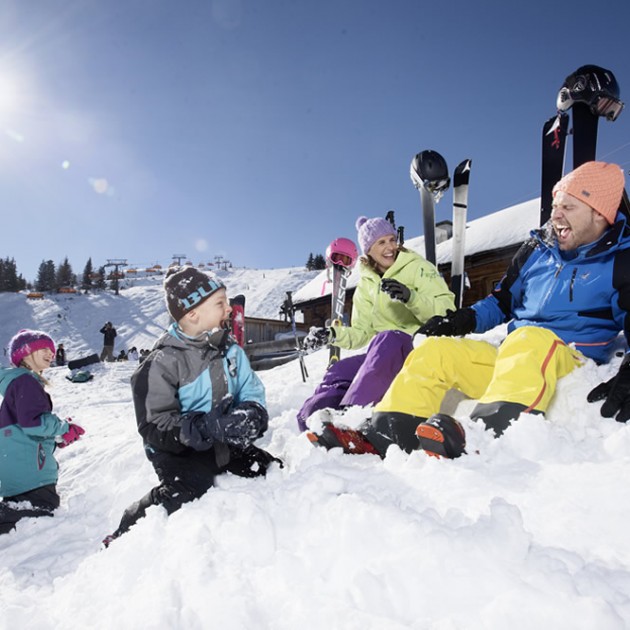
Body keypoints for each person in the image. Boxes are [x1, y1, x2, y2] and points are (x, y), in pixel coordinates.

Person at [309, 161, 629, 459]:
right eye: (556, 205)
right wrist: (463, 319)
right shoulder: (537, 251)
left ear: (600, 214)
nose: (556, 215)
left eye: (568, 207)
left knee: (530, 339)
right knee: (437, 352)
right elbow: (502, 301)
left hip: (567, 357)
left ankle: (483, 435)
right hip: (515, 357)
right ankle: (386, 433)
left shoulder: (620, 260)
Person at [103, 267, 280, 546]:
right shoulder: (162, 362)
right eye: (220, 303)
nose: (229, 309)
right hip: (178, 449)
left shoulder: (231, 351)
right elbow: (153, 423)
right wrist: (200, 427)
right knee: (189, 487)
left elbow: (251, 389)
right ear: (192, 313)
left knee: (268, 468)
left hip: (223, 442)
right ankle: (129, 527)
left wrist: (252, 413)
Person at [297, 215, 455, 432]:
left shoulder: (417, 267)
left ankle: (354, 420)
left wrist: (411, 298)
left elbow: (448, 310)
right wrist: (331, 334)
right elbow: (362, 332)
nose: (390, 247)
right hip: (382, 354)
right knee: (341, 369)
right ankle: (314, 422)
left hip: (419, 348)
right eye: (381, 242)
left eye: (392, 240)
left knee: (388, 339)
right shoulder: (366, 284)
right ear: (368, 250)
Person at [0, 330, 85, 534]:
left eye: (52, 350)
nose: (51, 354)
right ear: (25, 352)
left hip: (20, 467)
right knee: (43, 511)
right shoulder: (26, 381)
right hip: (31, 473)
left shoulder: (18, 383)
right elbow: (34, 423)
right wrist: (64, 427)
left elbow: (25, 428)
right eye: (44, 349)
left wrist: (57, 439)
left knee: (28, 511)